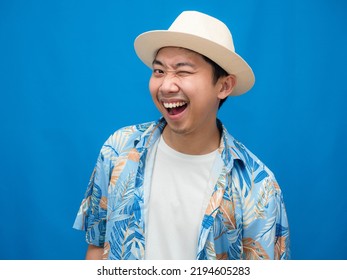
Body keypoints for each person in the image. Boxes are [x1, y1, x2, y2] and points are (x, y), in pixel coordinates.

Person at [73, 10, 290, 260]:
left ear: (224, 86)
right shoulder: (118, 149)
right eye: (159, 71)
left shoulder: (258, 186)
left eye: (183, 71)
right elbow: (97, 246)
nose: (166, 85)